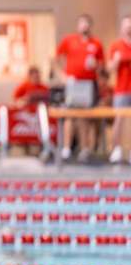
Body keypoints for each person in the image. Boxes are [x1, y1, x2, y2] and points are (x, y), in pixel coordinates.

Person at [56, 14, 104, 162]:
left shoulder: (96, 43)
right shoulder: (69, 40)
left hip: (88, 84)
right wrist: (62, 77)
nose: (84, 26)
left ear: (90, 26)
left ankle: (84, 148)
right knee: (70, 114)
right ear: (78, 26)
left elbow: (102, 66)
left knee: (85, 116)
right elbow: (55, 59)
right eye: (82, 23)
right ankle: (66, 148)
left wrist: (95, 65)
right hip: (72, 83)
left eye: (87, 24)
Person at [109, 15, 131, 163]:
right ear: (122, 28)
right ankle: (116, 149)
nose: (128, 28)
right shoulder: (116, 46)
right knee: (118, 120)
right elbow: (109, 68)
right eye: (126, 25)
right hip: (121, 90)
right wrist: (116, 61)